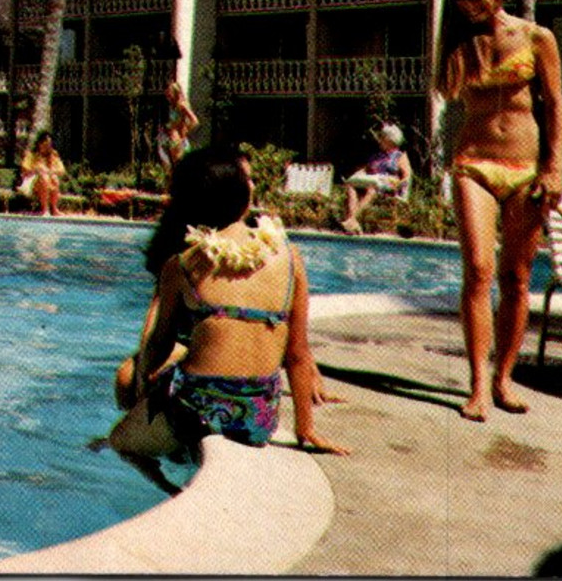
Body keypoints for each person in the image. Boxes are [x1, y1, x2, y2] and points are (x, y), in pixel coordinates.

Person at [103, 145, 346, 471]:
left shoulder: (185, 264)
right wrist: (306, 429)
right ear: (244, 198)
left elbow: (159, 343)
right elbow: (298, 354)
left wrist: (144, 391)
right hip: (258, 417)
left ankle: (165, 484)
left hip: (197, 411)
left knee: (116, 442)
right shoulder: (290, 257)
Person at [436, 0, 562, 422]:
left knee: (516, 277)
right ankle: (476, 386)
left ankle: (504, 377)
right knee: (478, 268)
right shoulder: (459, 43)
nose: (469, 5)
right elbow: (450, 95)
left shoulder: (537, 37)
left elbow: (554, 104)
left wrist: (555, 167)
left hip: (527, 168)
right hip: (474, 164)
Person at [339, 123, 413, 234]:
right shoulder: (377, 155)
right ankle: (352, 221)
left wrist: (398, 185)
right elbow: (366, 169)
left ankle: (352, 219)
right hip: (372, 181)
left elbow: (407, 175)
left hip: (388, 185)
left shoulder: (399, 156)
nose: (380, 141)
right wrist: (355, 176)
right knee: (351, 186)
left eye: (382, 138)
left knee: (371, 190)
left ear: (390, 140)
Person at [156, 80, 200, 176]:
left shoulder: (182, 105)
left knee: (177, 166)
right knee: (168, 164)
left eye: (170, 92)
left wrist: (184, 132)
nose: (167, 95)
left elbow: (194, 121)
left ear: (175, 92)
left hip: (177, 139)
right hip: (170, 136)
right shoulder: (172, 106)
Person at [20, 130, 66, 217]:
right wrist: (37, 169)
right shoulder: (32, 155)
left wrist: (50, 171)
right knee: (44, 177)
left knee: (54, 178)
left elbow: (61, 170)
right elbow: (25, 170)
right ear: (39, 144)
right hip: (32, 182)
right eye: (45, 144)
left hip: (48, 181)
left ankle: (54, 208)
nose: (47, 147)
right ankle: (45, 209)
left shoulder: (53, 155)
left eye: (49, 144)